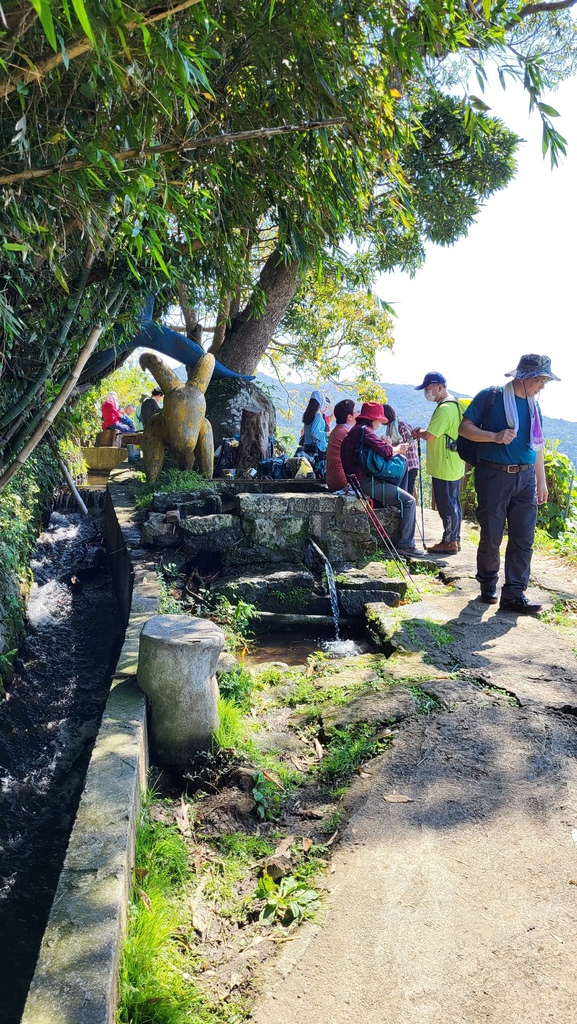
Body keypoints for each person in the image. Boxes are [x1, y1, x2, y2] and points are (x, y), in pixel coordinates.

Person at [458, 354, 559, 614]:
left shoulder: (534, 406)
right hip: (493, 475)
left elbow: (536, 445)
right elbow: (464, 429)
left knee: (524, 538)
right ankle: (487, 583)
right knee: (492, 534)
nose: (542, 387)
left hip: (525, 478)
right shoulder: (490, 397)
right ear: (524, 378)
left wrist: (541, 481)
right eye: (540, 380)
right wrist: (494, 436)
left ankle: (514, 593)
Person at [341, 401, 422, 556]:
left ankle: (394, 506)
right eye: (378, 421)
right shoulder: (365, 431)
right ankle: (406, 545)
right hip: (366, 482)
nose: (379, 425)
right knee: (409, 501)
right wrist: (399, 448)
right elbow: (386, 452)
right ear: (373, 419)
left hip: (355, 482)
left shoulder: (353, 431)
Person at [412, 372, 464, 554]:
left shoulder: (444, 409)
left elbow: (430, 435)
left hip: (444, 464)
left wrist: (419, 432)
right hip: (454, 462)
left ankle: (449, 542)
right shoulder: (455, 405)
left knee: (446, 504)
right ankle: (455, 538)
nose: (426, 393)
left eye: (428, 389)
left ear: (440, 387)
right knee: (454, 502)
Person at [382, 403, 419, 496]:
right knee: (402, 491)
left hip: (410, 464)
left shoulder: (400, 425)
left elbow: (409, 442)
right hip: (401, 465)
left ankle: (410, 510)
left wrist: (393, 446)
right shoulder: (390, 426)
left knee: (408, 493)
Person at [326, 399, 356, 492]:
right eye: (356, 412)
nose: (359, 414)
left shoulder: (337, 430)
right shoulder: (346, 432)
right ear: (350, 417)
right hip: (342, 481)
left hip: (334, 479)